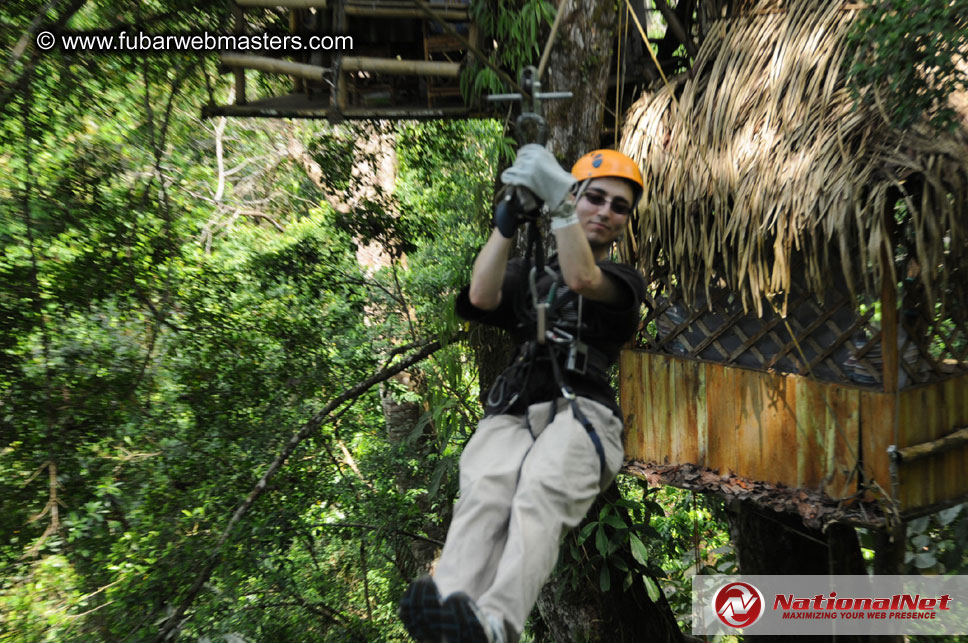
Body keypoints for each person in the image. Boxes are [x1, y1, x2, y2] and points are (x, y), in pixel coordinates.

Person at [399, 145, 647, 643]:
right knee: (485, 492)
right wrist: (506, 222)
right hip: (514, 411)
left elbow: (582, 277)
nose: (605, 211)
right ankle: (451, 615)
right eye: (594, 198)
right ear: (576, 197)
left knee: (538, 491)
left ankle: (496, 623)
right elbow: (480, 298)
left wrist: (558, 204)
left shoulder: (622, 282)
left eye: (619, 206)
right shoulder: (531, 278)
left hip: (583, 416)